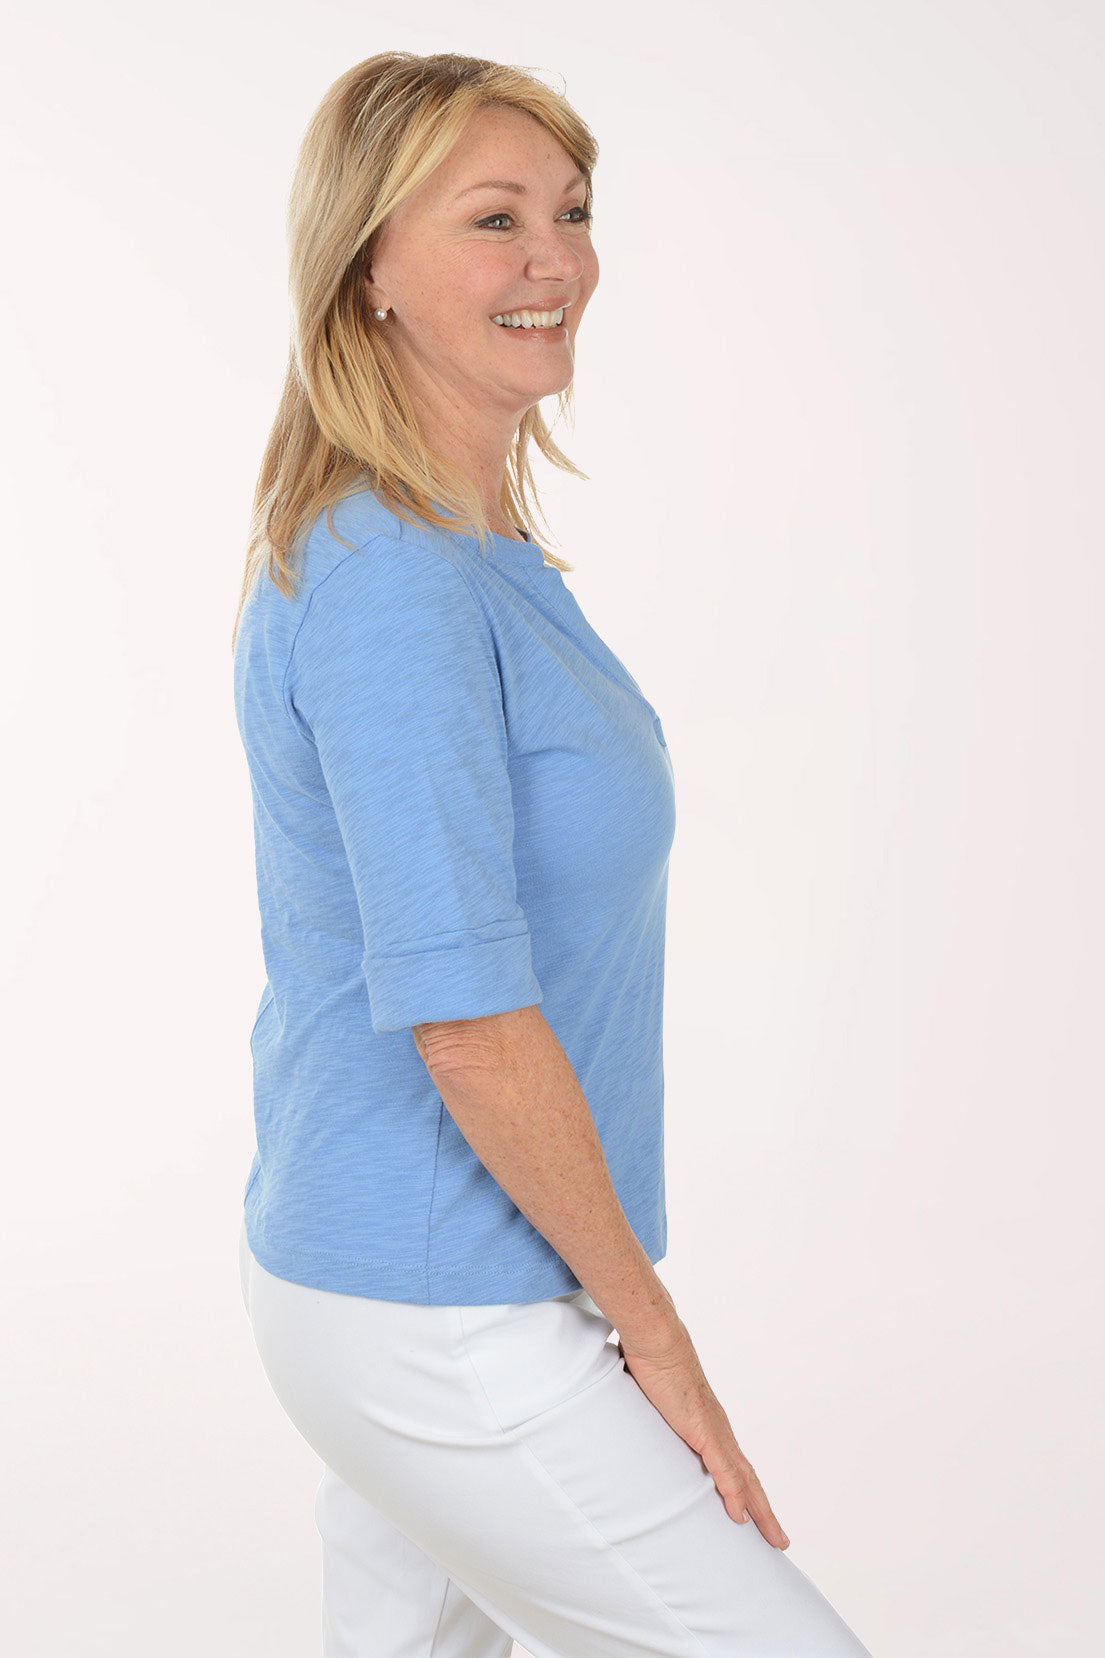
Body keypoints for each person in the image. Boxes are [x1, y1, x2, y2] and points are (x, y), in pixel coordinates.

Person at [231, 49, 873, 1658]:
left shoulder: (463, 550)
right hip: (438, 1302)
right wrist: (653, 1344)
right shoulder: (395, 581)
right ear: (367, 264)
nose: (556, 260)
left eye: (573, 212)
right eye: (493, 218)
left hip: (435, 1273)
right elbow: (457, 1007)